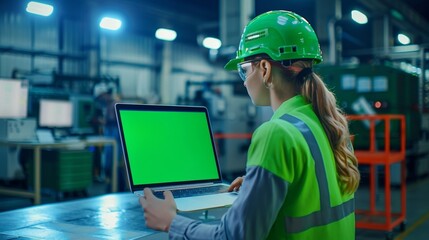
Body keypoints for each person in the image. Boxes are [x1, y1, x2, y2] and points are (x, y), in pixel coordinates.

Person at [139, 10, 360, 239]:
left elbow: (233, 237)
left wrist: (171, 222)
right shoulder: (331, 125)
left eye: (244, 71)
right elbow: (315, 192)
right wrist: (262, 185)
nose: (244, 83)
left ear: (264, 69)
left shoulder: (275, 133)